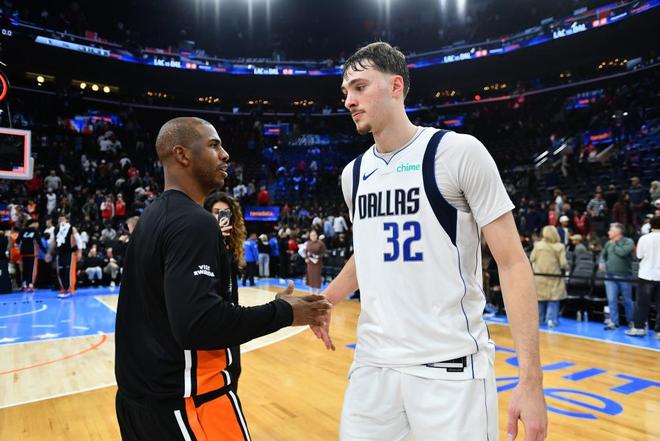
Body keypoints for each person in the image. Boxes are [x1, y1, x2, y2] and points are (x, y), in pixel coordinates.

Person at [315, 42, 547, 441]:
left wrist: (531, 380)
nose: (349, 100)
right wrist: (326, 300)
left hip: (450, 368)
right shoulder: (353, 174)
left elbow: (511, 262)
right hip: (373, 365)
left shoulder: (458, 153)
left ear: (396, 86)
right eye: (345, 91)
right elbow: (368, 251)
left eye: (359, 87)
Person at [114, 117, 331, 441]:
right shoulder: (194, 222)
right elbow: (199, 324)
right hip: (190, 403)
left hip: (141, 405)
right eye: (214, 145)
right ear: (182, 155)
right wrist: (286, 312)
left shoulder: (151, 217)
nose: (225, 154)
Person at [204, 190, 247, 389]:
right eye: (215, 212)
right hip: (210, 322)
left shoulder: (230, 246)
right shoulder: (200, 244)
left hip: (230, 320)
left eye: (225, 213)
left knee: (234, 371)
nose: (220, 217)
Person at [626, 215, 660, 338]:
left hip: (646, 275)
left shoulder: (644, 238)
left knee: (642, 304)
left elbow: (639, 255)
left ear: (651, 225)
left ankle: (639, 328)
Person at [599, 223, 635, 330]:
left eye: (611, 230)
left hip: (624, 276)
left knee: (627, 300)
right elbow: (603, 255)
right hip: (609, 276)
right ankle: (614, 322)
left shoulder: (629, 242)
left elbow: (622, 253)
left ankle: (631, 321)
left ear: (617, 232)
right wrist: (602, 262)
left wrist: (614, 244)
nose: (608, 232)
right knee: (611, 300)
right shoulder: (608, 243)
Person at [530, 226, 568, 328]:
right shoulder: (560, 247)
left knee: (540, 300)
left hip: (539, 277)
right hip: (554, 277)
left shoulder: (538, 246)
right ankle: (551, 320)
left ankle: (539, 319)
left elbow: (532, 258)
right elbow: (563, 263)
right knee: (553, 300)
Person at [48, 213, 83, 298]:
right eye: (59, 219)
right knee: (60, 271)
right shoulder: (56, 229)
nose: (61, 220)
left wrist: (80, 251)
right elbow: (53, 242)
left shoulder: (71, 228)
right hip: (60, 253)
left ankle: (70, 289)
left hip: (70, 252)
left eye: (62, 219)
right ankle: (63, 288)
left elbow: (79, 240)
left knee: (69, 271)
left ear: (66, 220)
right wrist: (48, 253)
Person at [300, 230, 327, 295]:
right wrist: (306, 258)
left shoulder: (321, 243)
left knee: (317, 276)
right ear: (310, 236)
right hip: (310, 262)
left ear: (316, 236)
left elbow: (324, 252)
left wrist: (318, 256)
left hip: (317, 262)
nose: (313, 237)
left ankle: (318, 289)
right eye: (311, 235)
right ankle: (310, 288)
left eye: (314, 235)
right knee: (310, 275)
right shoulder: (308, 243)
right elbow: (306, 251)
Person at [16, 220, 40, 292]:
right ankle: (30, 285)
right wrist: (46, 252)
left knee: (24, 269)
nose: (37, 224)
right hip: (32, 253)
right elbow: (39, 242)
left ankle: (24, 285)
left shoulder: (22, 231)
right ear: (32, 224)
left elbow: (17, 241)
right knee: (32, 269)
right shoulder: (35, 231)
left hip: (23, 253)